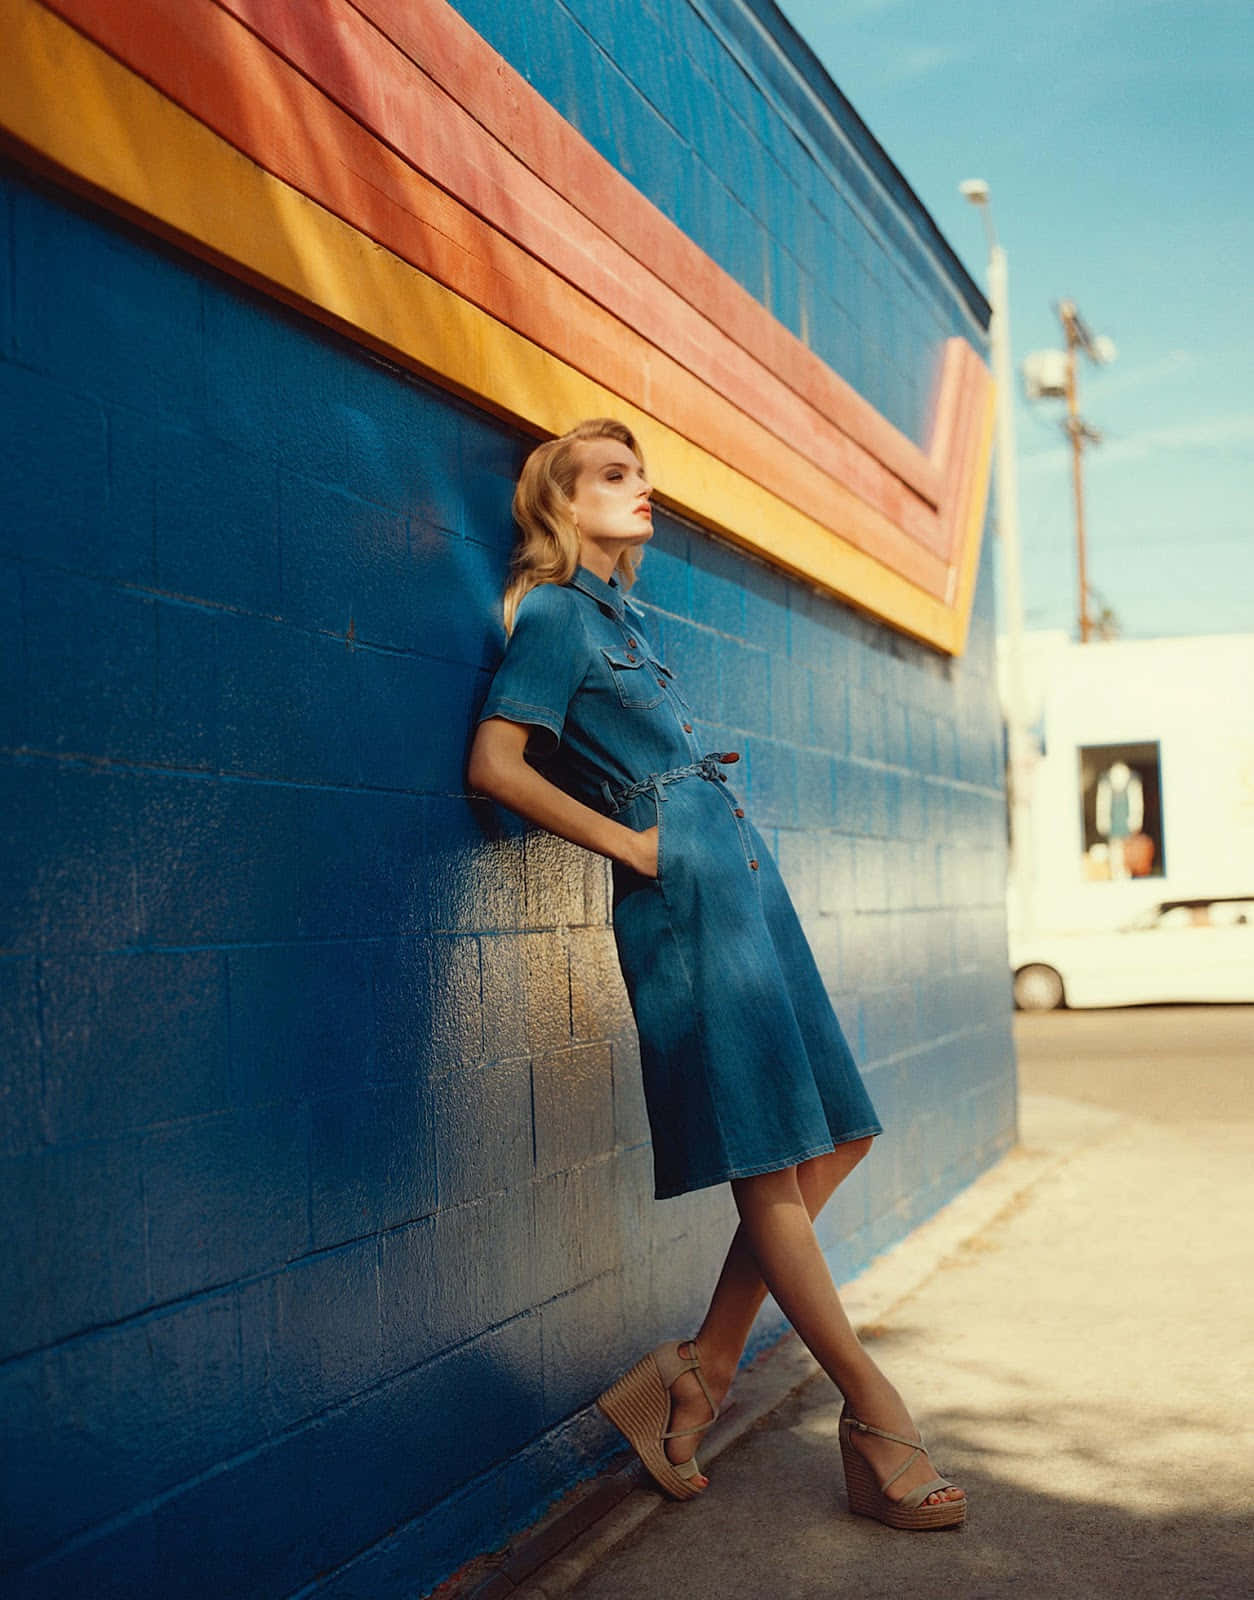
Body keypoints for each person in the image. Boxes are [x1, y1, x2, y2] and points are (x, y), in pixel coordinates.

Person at [467, 419, 966, 1530]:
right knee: (769, 1159)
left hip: (743, 888)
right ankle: (874, 1408)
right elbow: (496, 764)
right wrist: (634, 846)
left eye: (643, 474)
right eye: (612, 474)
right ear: (559, 498)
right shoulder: (552, 613)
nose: (643, 490)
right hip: (686, 898)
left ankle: (703, 1364)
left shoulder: (625, 620)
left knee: (840, 1131)